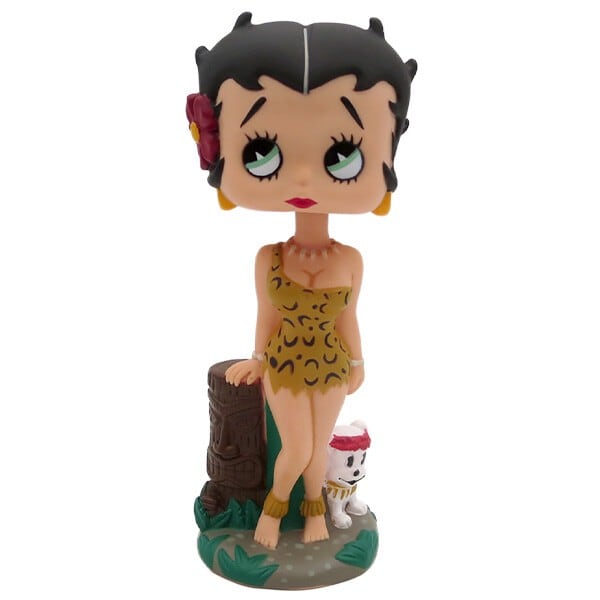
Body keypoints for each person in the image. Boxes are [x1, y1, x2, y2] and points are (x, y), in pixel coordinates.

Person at [186, 12, 416, 549]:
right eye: (261, 151)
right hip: (284, 363)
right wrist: (256, 357)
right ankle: (272, 513)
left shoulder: (351, 259)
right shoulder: (269, 257)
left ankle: (315, 515)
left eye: (343, 156)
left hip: (332, 364)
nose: (306, 178)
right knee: (297, 448)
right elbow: (266, 314)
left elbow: (348, 316)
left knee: (317, 450)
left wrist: (358, 363)